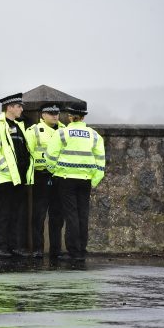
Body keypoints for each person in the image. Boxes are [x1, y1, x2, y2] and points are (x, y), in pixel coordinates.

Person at [45, 104, 105, 262]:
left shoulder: (62, 133)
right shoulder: (94, 135)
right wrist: (95, 179)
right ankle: (81, 249)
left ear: (70, 117)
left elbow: (50, 156)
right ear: (83, 117)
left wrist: (54, 171)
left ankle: (73, 252)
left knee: (71, 215)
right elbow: (100, 160)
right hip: (85, 180)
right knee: (82, 215)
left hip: (65, 179)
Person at [0, 93, 34, 258]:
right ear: (10, 107)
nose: (21, 109)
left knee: (16, 213)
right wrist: (6, 168)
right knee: (4, 213)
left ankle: (14, 246)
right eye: (19, 106)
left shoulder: (18, 126)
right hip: (5, 177)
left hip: (19, 177)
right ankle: (1, 246)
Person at [25, 104, 66, 259]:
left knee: (57, 216)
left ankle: (56, 250)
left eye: (57, 113)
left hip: (59, 176)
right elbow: (28, 152)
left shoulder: (65, 130)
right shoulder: (34, 131)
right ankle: (38, 249)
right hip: (41, 176)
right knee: (38, 215)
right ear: (43, 115)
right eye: (51, 113)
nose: (55, 116)